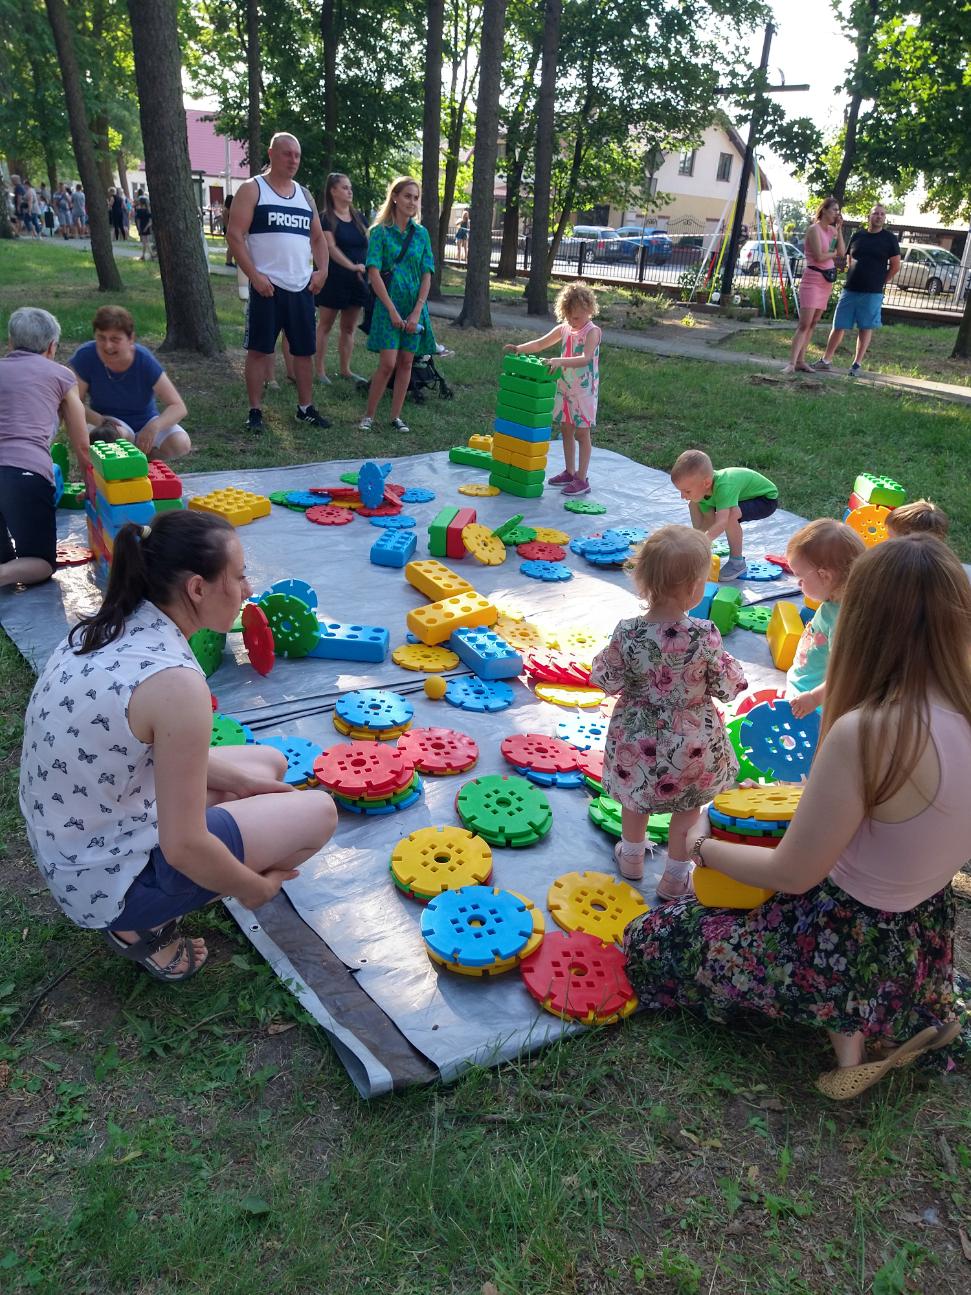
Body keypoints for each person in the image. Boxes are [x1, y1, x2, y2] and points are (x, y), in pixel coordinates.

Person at [624, 536, 970, 1100]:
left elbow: (792, 875)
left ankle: (842, 1023)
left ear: (863, 623)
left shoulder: (868, 729)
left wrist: (701, 846)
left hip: (837, 928)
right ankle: (903, 1007)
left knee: (651, 940)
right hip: (918, 924)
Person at [18, 510, 338, 981]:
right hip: (106, 882)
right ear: (197, 588)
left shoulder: (110, 624)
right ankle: (146, 925)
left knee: (265, 764)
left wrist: (244, 786)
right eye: (240, 575)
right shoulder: (174, 683)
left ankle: (156, 896)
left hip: (73, 848)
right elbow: (184, 846)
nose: (249, 588)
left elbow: (144, 753)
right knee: (319, 814)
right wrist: (254, 889)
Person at [589, 526, 747, 899]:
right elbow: (726, 686)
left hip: (637, 738)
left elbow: (606, 677)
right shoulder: (704, 634)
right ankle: (675, 878)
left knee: (635, 798)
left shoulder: (628, 632)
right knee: (688, 808)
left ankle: (631, 858)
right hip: (690, 742)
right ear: (695, 588)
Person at [226, 132, 331, 435]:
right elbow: (234, 235)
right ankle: (255, 410)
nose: (293, 160)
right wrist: (255, 277)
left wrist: (322, 270)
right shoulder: (252, 189)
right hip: (267, 288)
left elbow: (318, 238)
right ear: (271, 154)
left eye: (297, 155)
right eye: (287, 154)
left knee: (303, 351)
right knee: (260, 350)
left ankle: (305, 407)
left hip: (301, 287)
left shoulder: (304, 194)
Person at [0, 308, 91, 589]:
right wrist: (91, 483)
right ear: (52, 347)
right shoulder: (62, 376)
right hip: (25, 475)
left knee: (7, 557)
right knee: (40, 564)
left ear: (11, 343)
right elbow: (81, 442)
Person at [503, 281, 601, 498]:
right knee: (566, 428)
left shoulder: (592, 332)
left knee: (582, 432)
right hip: (565, 387)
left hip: (584, 390)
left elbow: (585, 358)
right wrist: (519, 349)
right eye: (569, 318)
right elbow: (540, 344)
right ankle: (569, 471)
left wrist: (559, 360)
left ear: (588, 310)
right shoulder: (565, 328)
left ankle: (582, 478)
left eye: (576, 318)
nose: (572, 322)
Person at [358, 176, 437, 436]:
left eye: (416, 198)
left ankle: (396, 416)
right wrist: (391, 309)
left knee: (406, 362)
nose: (412, 202)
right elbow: (373, 271)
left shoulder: (422, 234)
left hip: (414, 308)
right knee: (388, 363)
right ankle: (368, 415)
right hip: (388, 306)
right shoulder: (379, 232)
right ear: (394, 197)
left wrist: (417, 310)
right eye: (407, 196)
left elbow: (427, 272)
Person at [69, 305, 192, 462]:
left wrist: (154, 427)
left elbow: (178, 407)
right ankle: (124, 463)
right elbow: (73, 402)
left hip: (145, 421)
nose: (107, 346)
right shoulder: (86, 356)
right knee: (105, 438)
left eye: (115, 339)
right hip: (109, 422)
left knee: (180, 443)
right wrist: (101, 421)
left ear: (130, 339)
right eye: (101, 338)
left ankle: (144, 462)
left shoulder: (143, 359)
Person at [784, 519, 865, 718]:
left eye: (801, 578)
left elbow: (847, 674)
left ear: (825, 576)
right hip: (805, 689)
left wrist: (813, 698)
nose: (798, 584)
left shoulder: (843, 620)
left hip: (814, 707)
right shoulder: (834, 601)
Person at [813, 204, 901, 377]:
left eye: (882, 214)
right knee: (839, 325)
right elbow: (849, 258)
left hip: (872, 291)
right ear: (869, 216)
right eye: (875, 213)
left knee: (865, 327)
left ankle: (856, 364)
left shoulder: (889, 239)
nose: (879, 216)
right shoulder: (858, 236)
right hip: (850, 288)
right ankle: (826, 360)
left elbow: (895, 266)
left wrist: (881, 280)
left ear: (885, 218)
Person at [670, 449, 779, 580]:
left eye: (687, 491)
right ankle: (698, 548)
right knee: (694, 503)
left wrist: (703, 541)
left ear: (707, 483)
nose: (682, 496)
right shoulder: (703, 492)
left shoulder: (724, 486)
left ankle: (737, 562)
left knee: (731, 515)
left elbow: (721, 522)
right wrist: (695, 542)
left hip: (765, 499)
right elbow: (709, 522)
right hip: (741, 497)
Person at [314, 172, 370, 387]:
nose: (349, 191)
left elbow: (369, 242)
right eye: (345, 187)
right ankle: (319, 371)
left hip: (357, 280)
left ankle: (345, 370)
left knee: (349, 327)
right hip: (334, 278)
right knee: (325, 325)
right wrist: (351, 266)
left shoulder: (359, 217)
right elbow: (330, 247)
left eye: (350, 187)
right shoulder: (326, 218)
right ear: (333, 190)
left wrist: (366, 268)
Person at [134, 196, 154, 260]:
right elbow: (150, 221)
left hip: (142, 227)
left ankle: (145, 255)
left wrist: (139, 228)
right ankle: (148, 254)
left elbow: (138, 221)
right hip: (147, 227)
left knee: (145, 242)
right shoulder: (148, 211)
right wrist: (147, 227)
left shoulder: (139, 211)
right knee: (146, 242)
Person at [222, 192, 235, 267]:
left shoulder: (231, 209)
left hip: (231, 228)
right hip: (228, 229)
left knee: (232, 246)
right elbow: (226, 222)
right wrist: (228, 231)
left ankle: (230, 261)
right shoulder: (226, 210)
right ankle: (228, 261)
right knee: (231, 246)